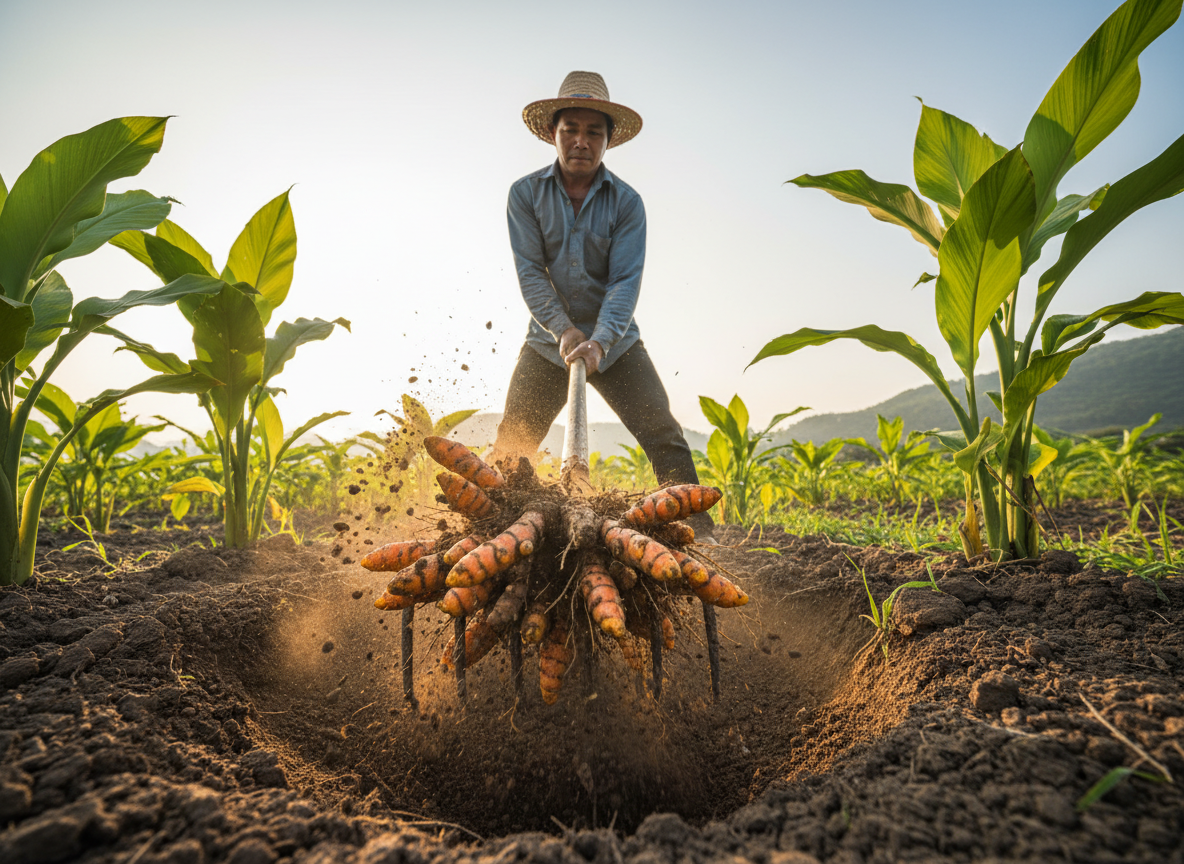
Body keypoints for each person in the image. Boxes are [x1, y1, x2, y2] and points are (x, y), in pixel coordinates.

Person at [493, 70, 715, 540]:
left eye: (594, 131)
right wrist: (564, 331)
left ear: (608, 141)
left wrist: (598, 340)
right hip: (547, 343)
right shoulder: (525, 195)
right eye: (570, 129)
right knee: (512, 447)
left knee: (663, 435)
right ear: (552, 134)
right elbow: (530, 273)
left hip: (615, 343)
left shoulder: (627, 203)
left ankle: (699, 534)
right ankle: (491, 530)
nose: (580, 141)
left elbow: (624, 282)